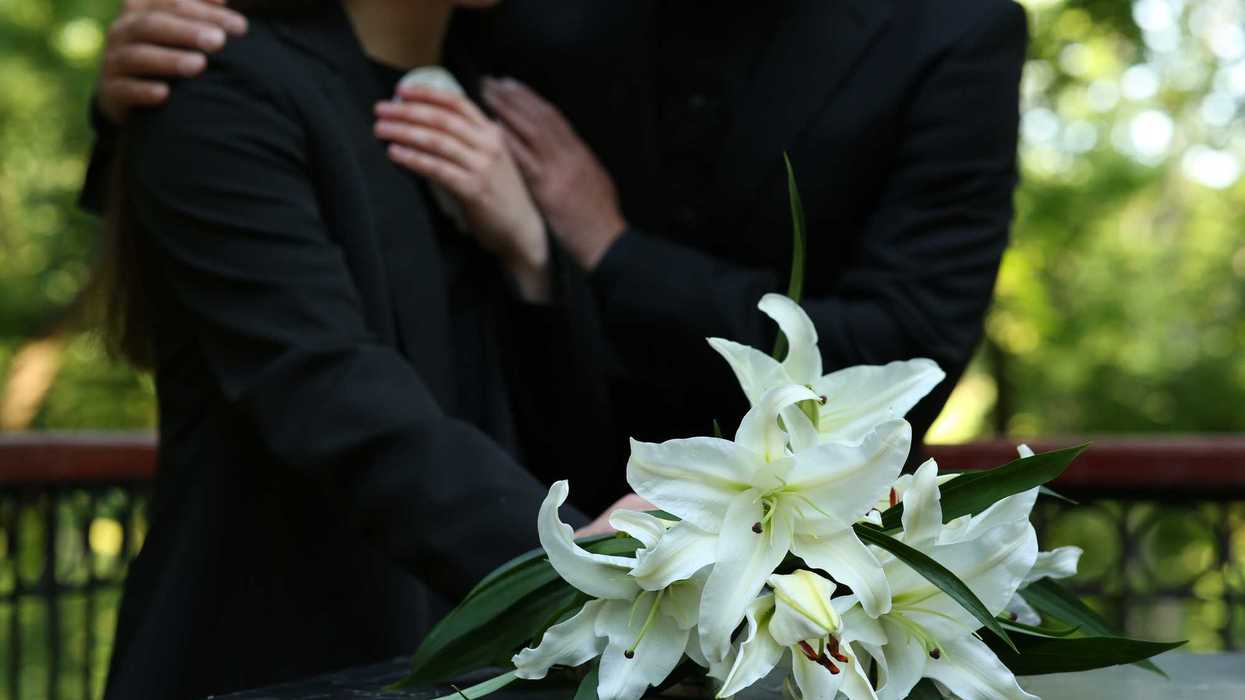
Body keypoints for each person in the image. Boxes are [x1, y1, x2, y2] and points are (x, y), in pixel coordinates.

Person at [88, 1, 1029, 507]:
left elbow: (907, 348)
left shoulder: (954, 28)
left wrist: (602, 250)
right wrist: (147, 97)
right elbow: (338, 86)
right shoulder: (522, 18)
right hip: (480, 526)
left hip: (783, 539)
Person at [88, 0, 633, 696]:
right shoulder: (219, 83)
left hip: (477, 661)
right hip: (277, 662)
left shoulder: (503, 96)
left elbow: (534, 410)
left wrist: (531, 258)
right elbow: (324, 389)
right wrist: (568, 562)